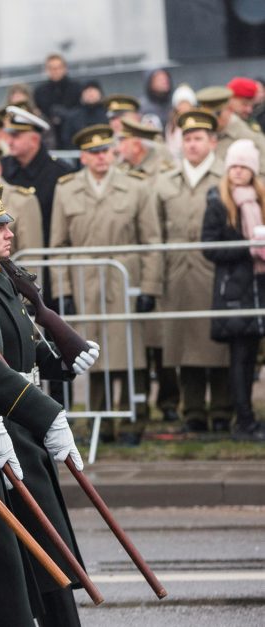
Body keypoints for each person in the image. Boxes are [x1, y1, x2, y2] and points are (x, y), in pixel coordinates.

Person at [0, 185, 97, 626]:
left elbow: (20, 344)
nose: (8, 232)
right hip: (5, 422)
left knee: (49, 539)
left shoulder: (3, 277)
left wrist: (60, 358)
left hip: (27, 419)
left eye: (7, 224)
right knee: (32, 543)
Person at [50, 124, 163, 445]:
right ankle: (98, 421)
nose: (101, 158)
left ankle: (131, 421)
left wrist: (150, 286)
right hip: (85, 278)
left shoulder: (136, 186)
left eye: (105, 151)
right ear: (84, 157)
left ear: (113, 154)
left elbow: (151, 239)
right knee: (90, 350)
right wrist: (63, 290)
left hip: (126, 276)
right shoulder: (67, 188)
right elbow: (58, 245)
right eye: (94, 153)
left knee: (130, 351)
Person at [155, 110, 232, 433]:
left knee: (219, 344)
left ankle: (223, 411)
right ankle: (194, 411)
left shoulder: (226, 178)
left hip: (215, 272)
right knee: (184, 344)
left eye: (199, 138)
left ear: (213, 142)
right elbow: (155, 230)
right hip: (179, 273)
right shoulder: (166, 181)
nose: (192, 145)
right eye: (187, 138)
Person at [116, 119, 179, 422]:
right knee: (140, 342)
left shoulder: (163, 173)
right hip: (138, 267)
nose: (118, 149)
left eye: (123, 142)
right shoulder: (124, 172)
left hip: (163, 265)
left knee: (163, 340)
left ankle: (169, 401)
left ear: (137, 145)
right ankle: (139, 406)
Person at [202, 138, 265, 441]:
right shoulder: (218, 202)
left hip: (259, 290)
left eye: (244, 167)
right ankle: (244, 421)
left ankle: (251, 418)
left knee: (252, 359)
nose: (238, 172)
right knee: (240, 360)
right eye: (234, 166)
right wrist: (248, 248)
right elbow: (210, 247)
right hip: (234, 293)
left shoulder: (260, 201)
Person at [0, 106, 74, 248]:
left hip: (46, 251)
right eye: (9, 135)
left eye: (16, 136)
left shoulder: (60, 172)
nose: (9, 141)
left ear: (34, 139)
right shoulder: (2, 168)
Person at [197, 85, 265, 174]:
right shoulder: (197, 135)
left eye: (217, 114)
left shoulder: (248, 136)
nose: (212, 119)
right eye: (207, 115)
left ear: (229, 110)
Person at [33, 54, 83, 149]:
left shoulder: (76, 88)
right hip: (49, 139)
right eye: (51, 68)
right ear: (46, 70)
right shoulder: (39, 91)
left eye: (58, 67)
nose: (55, 71)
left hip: (73, 137)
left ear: (65, 68)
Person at [60, 81, 108, 149]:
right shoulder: (73, 116)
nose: (90, 93)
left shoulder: (109, 114)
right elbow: (67, 139)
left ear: (100, 94)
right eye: (87, 91)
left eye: (93, 90)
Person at [166, 84, 198, 160]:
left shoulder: (197, 122)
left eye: (186, 103)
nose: (183, 107)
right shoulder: (171, 125)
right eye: (181, 103)